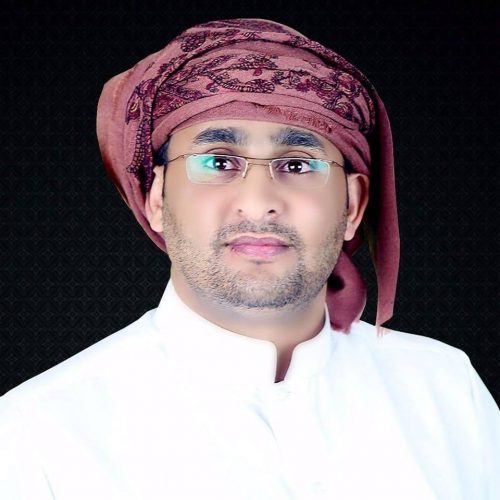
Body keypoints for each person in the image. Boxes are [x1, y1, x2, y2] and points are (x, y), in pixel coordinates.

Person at [1, 18, 498, 500]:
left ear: (352, 206)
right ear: (156, 199)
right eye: (218, 161)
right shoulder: (39, 432)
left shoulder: (445, 390)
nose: (259, 203)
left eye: (298, 165)